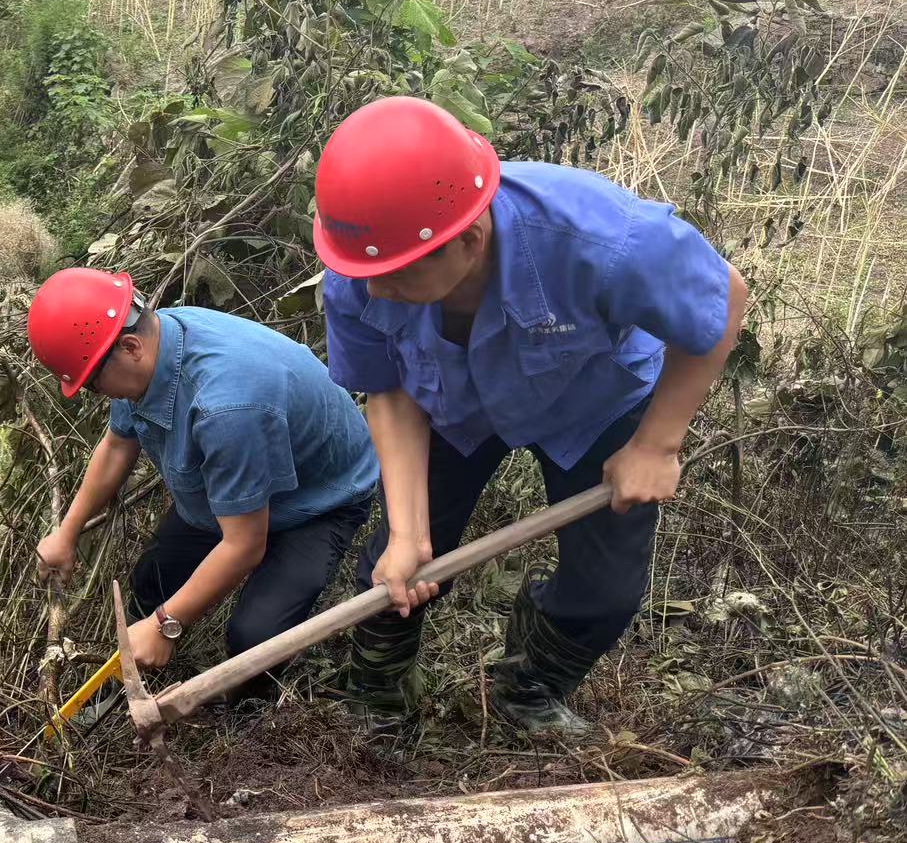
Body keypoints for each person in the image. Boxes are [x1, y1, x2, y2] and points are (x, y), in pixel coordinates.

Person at [314, 98, 746, 734]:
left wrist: (657, 444)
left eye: (396, 276)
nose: (374, 290)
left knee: (606, 590)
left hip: (591, 399)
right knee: (395, 568)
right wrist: (410, 533)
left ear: (470, 240)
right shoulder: (364, 264)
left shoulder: (605, 241)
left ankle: (527, 691)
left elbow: (723, 299)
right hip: (451, 405)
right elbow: (388, 391)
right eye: (366, 273)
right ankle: (379, 692)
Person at [28, 268, 379, 695]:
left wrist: (166, 624)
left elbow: (244, 545)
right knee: (152, 580)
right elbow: (118, 445)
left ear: (130, 348)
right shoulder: (147, 344)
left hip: (320, 497)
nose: (99, 395)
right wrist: (66, 534)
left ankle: (249, 719)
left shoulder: (226, 407)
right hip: (235, 477)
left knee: (254, 641)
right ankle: (131, 673)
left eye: (94, 386)